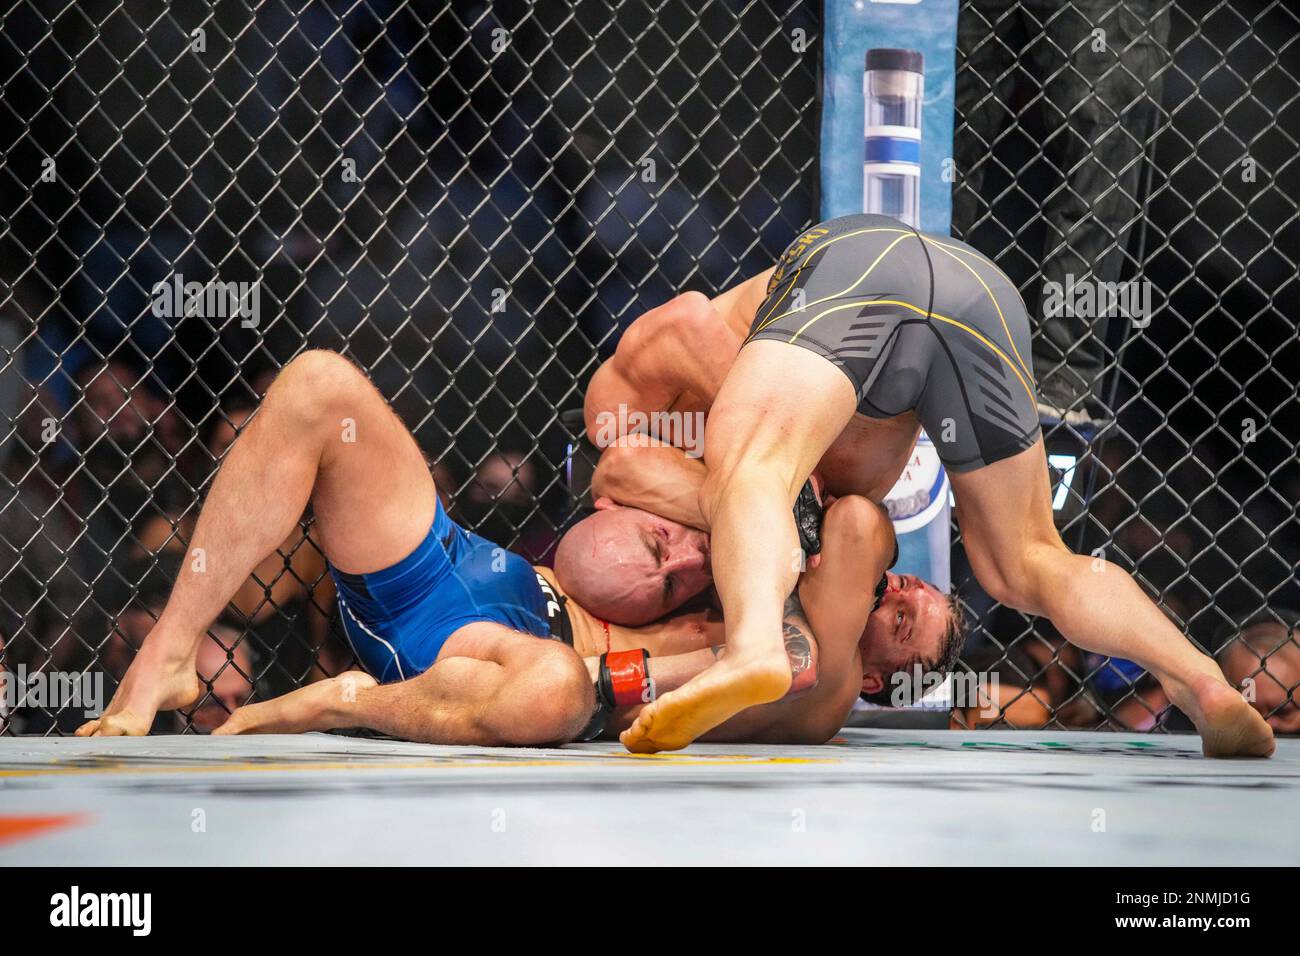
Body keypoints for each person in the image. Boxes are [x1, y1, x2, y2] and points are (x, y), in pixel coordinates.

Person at [580, 213, 1274, 758]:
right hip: (976, 292)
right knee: (1024, 562)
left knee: (756, 468)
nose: (673, 553)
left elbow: (674, 368)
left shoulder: (625, 402)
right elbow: (841, 510)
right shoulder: (782, 531)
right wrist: (787, 503)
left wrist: (774, 486)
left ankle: (754, 647)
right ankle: (1202, 682)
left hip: (853, 266)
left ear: (609, 510)